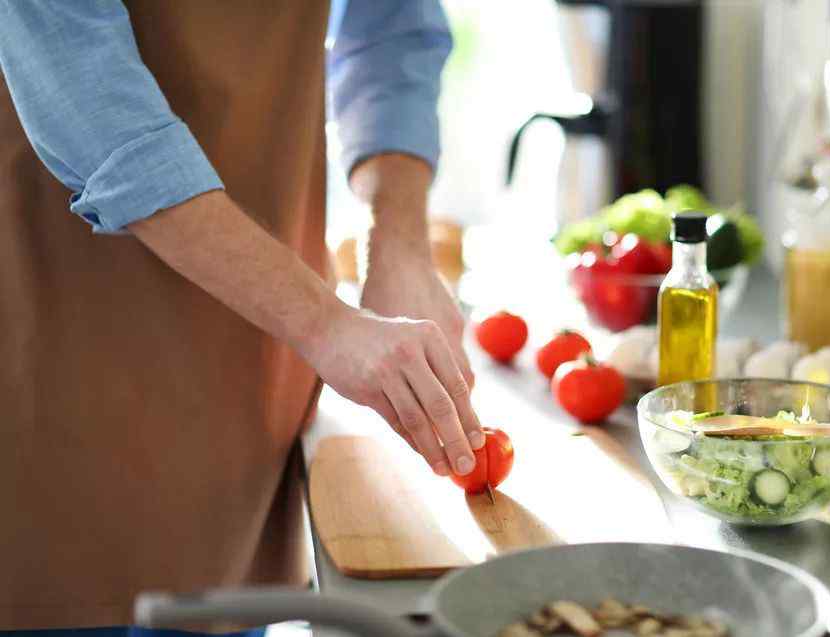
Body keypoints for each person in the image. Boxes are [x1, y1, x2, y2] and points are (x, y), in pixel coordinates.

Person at [0, 1, 483, 633]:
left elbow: (391, 35)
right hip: (63, 329)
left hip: (262, 354)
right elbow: (87, 100)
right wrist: (323, 323)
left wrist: (398, 248)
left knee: (228, 591)